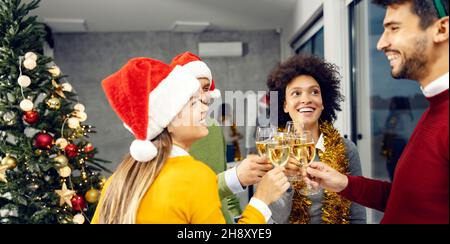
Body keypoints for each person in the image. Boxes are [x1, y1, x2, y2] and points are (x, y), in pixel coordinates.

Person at [91, 57, 289, 224]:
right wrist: (261, 200)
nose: (205, 106)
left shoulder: (119, 178)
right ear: (166, 119)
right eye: (193, 102)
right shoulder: (195, 176)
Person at [306, 0, 449, 224]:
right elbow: (406, 200)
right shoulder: (434, 109)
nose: (381, 43)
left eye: (394, 28)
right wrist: (343, 182)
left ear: (441, 30)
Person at [266, 54, 366, 224]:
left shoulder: (347, 149)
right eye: (296, 93)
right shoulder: (275, 152)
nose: (306, 99)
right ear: (284, 105)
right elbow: (273, 220)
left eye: (314, 92)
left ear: (323, 101)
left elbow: (357, 216)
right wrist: (285, 178)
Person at [169, 52, 243, 223]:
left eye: (205, 88)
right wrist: (236, 178)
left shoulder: (214, 129)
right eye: (194, 88)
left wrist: (237, 218)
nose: (203, 97)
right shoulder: (160, 142)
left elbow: (227, 196)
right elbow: (185, 197)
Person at [381, 96, 413, 180]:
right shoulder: (392, 115)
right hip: (391, 145)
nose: (390, 104)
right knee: (390, 167)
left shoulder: (404, 116)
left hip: (399, 146)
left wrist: (391, 132)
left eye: (393, 102)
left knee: (396, 169)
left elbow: (407, 133)